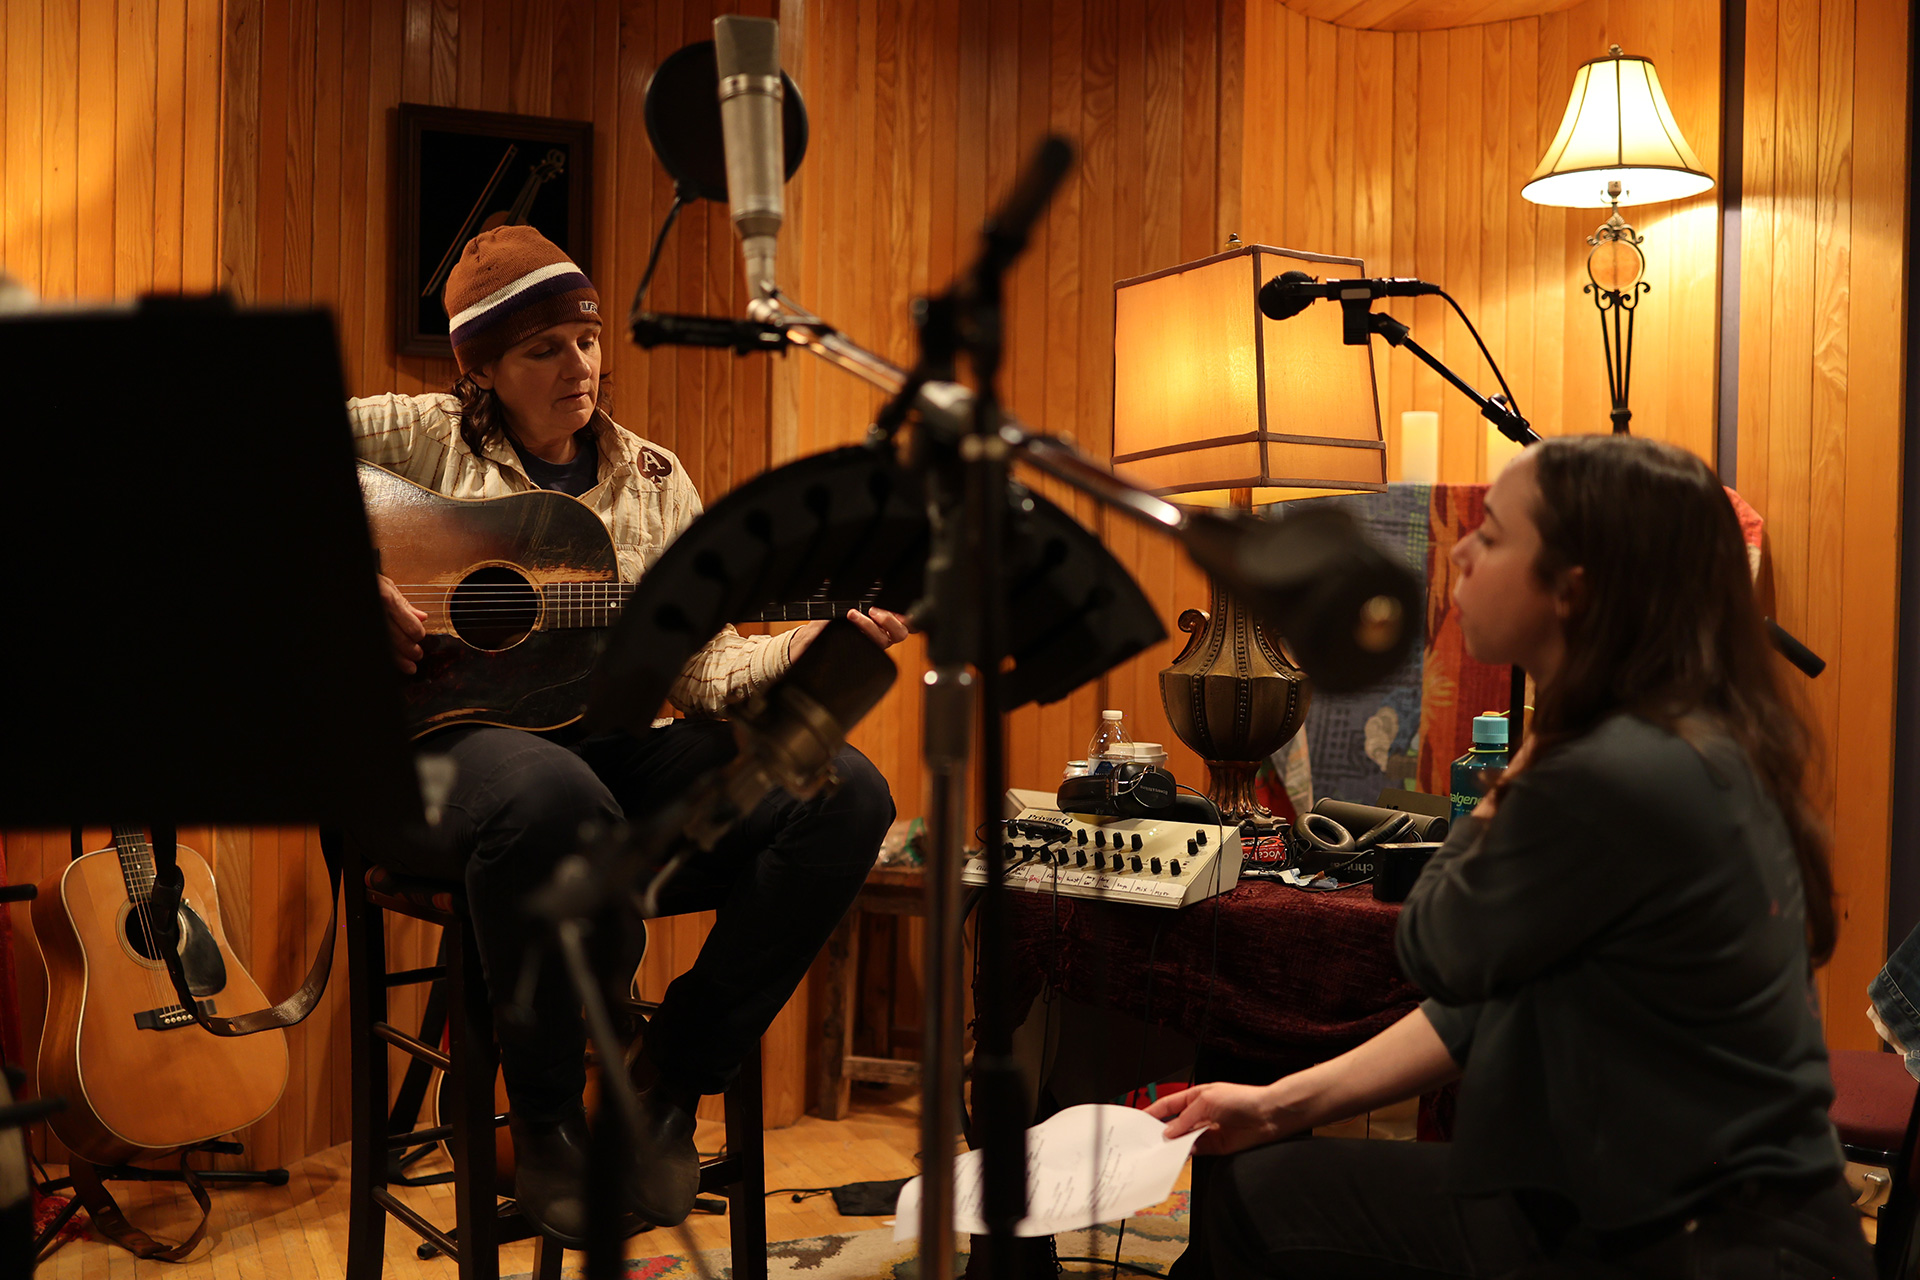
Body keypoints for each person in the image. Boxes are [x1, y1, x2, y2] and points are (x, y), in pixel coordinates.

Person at [1147, 435, 1874, 1278]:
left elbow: (1436, 944)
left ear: (1574, 590)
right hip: (1666, 1211)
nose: (1459, 550)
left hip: (1684, 1243)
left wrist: (1529, 759)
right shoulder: (1682, 740)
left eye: (1491, 534)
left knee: (1258, 1211)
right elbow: (1491, 1001)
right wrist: (1276, 1106)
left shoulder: (1612, 772)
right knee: (1267, 1183)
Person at [351, 225, 908, 1245]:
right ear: (481, 369)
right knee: (556, 799)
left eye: (587, 339)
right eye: (543, 350)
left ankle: (670, 1080)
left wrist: (801, 645)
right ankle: (552, 1119)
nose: (580, 367)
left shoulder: (653, 480)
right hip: (435, 761)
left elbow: (701, 671)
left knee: (844, 790)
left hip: (599, 763)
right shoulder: (415, 434)